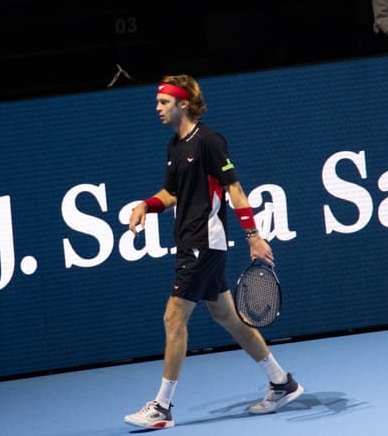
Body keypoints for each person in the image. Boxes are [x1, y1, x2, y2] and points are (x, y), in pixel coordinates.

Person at [124, 74, 303, 429]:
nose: (157, 109)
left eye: (164, 103)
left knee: (174, 318)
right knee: (229, 318)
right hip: (191, 241)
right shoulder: (175, 146)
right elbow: (172, 193)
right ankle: (282, 382)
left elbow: (234, 189)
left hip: (204, 242)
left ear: (183, 103)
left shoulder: (208, 141)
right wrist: (146, 205)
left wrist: (253, 235)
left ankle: (162, 408)